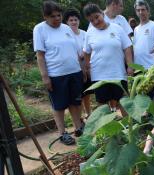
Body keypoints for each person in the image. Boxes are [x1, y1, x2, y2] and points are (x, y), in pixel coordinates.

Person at [33, 1, 84, 145]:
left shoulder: (66, 28)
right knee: (59, 105)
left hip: (74, 72)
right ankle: (63, 133)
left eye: (59, 15)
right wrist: (45, 76)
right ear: (45, 17)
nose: (57, 18)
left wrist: (82, 68)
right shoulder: (39, 29)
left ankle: (78, 127)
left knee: (75, 102)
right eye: (53, 16)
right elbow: (40, 55)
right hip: (56, 75)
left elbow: (76, 51)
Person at [83, 3, 133, 113]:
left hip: (118, 73)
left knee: (123, 102)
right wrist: (88, 68)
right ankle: (107, 129)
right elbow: (86, 52)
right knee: (102, 106)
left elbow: (127, 47)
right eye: (92, 20)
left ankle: (129, 128)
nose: (96, 22)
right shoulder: (89, 33)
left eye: (97, 17)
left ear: (102, 13)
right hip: (99, 74)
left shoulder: (117, 29)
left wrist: (130, 66)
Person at [63, 8, 92, 120]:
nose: (74, 22)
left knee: (87, 93)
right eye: (71, 20)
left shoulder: (85, 33)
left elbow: (89, 49)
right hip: (74, 68)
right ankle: (78, 119)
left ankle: (88, 113)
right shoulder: (66, 35)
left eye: (75, 19)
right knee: (77, 95)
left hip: (86, 65)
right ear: (67, 22)